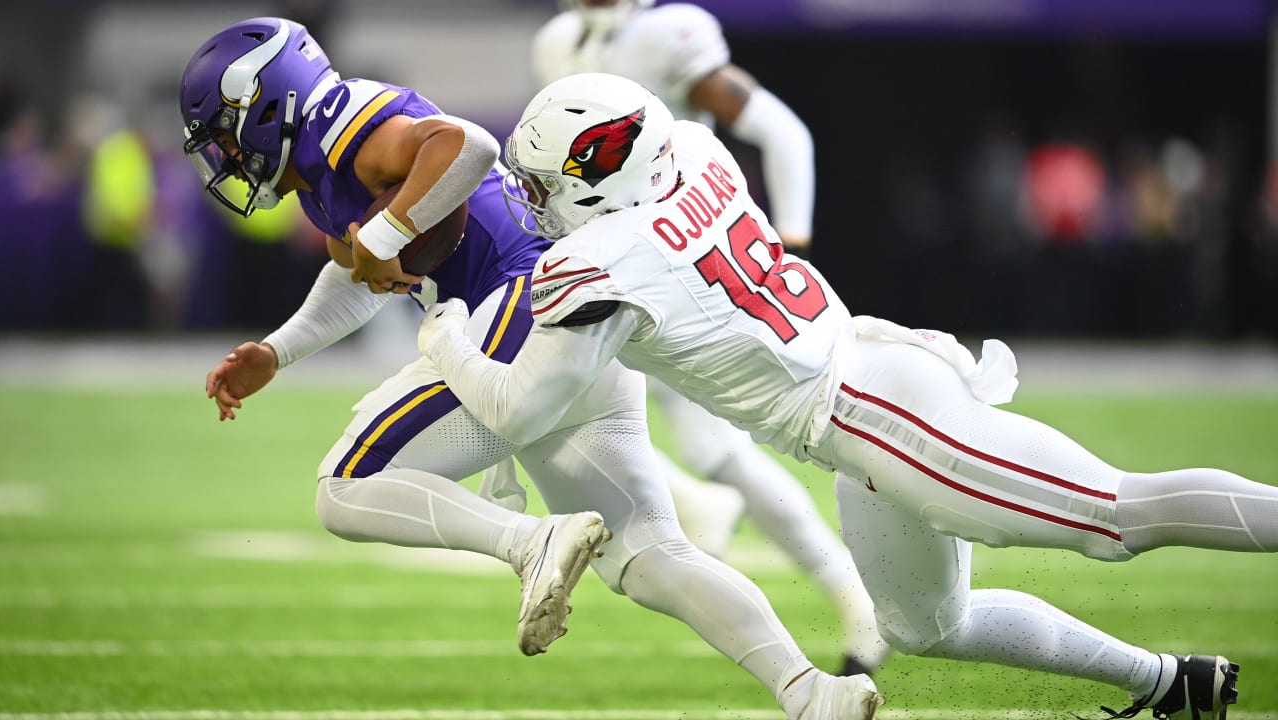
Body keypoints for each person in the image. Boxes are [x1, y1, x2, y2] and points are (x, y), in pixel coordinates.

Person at [417, 72, 1278, 720]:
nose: (529, 205)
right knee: (927, 627)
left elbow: (519, 409)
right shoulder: (695, 152)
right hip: (862, 403)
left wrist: (445, 337)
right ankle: (1171, 683)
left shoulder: (597, 264)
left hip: (883, 415)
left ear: (596, 176)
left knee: (1114, 519)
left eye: (540, 186)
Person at [181, 18, 883, 720]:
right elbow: (365, 274)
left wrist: (388, 233)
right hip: (564, 315)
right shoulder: (319, 167)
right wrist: (279, 350)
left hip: (520, 305)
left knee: (345, 486)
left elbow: (467, 146)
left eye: (223, 134)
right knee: (648, 556)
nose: (225, 158)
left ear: (267, 102)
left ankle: (531, 540)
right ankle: (809, 690)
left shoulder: (346, 123)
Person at [530, 0, 889, 676]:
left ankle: (848, 590)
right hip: (606, 276)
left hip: (673, 274)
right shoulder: (555, 41)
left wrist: (790, 246)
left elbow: (784, 132)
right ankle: (815, 572)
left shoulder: (667, 36)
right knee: (560, 411)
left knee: (711, 446)